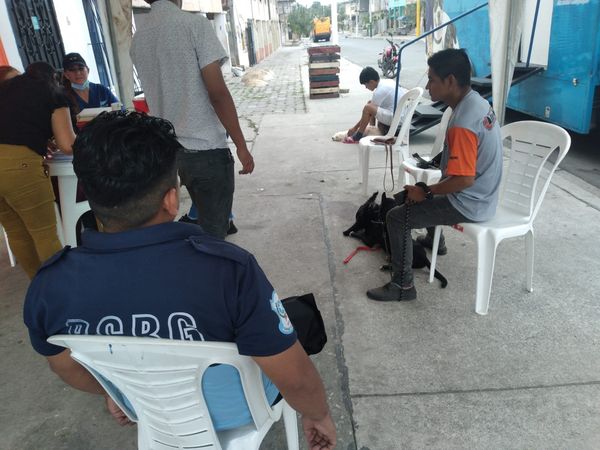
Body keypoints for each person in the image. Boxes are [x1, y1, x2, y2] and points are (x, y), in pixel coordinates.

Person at [23, 111, 336, 449]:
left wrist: (118, 391)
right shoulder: (228, 270)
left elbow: (65, 368)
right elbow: (295, 379)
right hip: (241, 410)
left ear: (91, 199)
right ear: (171, 200)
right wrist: (318, 414)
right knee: (294, 319)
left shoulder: (50, 284)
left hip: (147, 409)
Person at [366, 48, 503, 302]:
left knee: (397, 217)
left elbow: (464, 180)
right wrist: (426, 187)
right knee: (413, 192)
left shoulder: (463, 122)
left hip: (470, 201)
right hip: (484, 194)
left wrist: (427, 192)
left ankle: (403, 286)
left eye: (432, 80)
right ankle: (435, 241)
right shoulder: (477, 102)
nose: (428, 86)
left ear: (450, 81)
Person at [131, 0, 254, 239]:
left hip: (169, 152)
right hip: (205, 148)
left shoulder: (138, 39)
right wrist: (241, 145)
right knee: (214, 236)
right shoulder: (194, 25)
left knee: (193, 227)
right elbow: (217, 93)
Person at [0, 62, 76, 279]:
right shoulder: (52, 92)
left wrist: (38, 138)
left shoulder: (6, 89)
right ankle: (61, 288)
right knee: (45, 235)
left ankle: (39, 285)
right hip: (18, 168)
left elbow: (15, 126)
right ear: (55, 78)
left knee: (16, 233)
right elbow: (67, 144)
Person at [344, 66, 406, 144]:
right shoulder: (388, 81)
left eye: (366, 85)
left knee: (368, 108)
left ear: (371, 82)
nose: (366, 87)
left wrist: (354, 128)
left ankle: (358, 135)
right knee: (370, 103)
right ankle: (372, 128)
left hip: (397, 119)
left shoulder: (379, 91)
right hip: (402, 114)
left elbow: (368, 111)